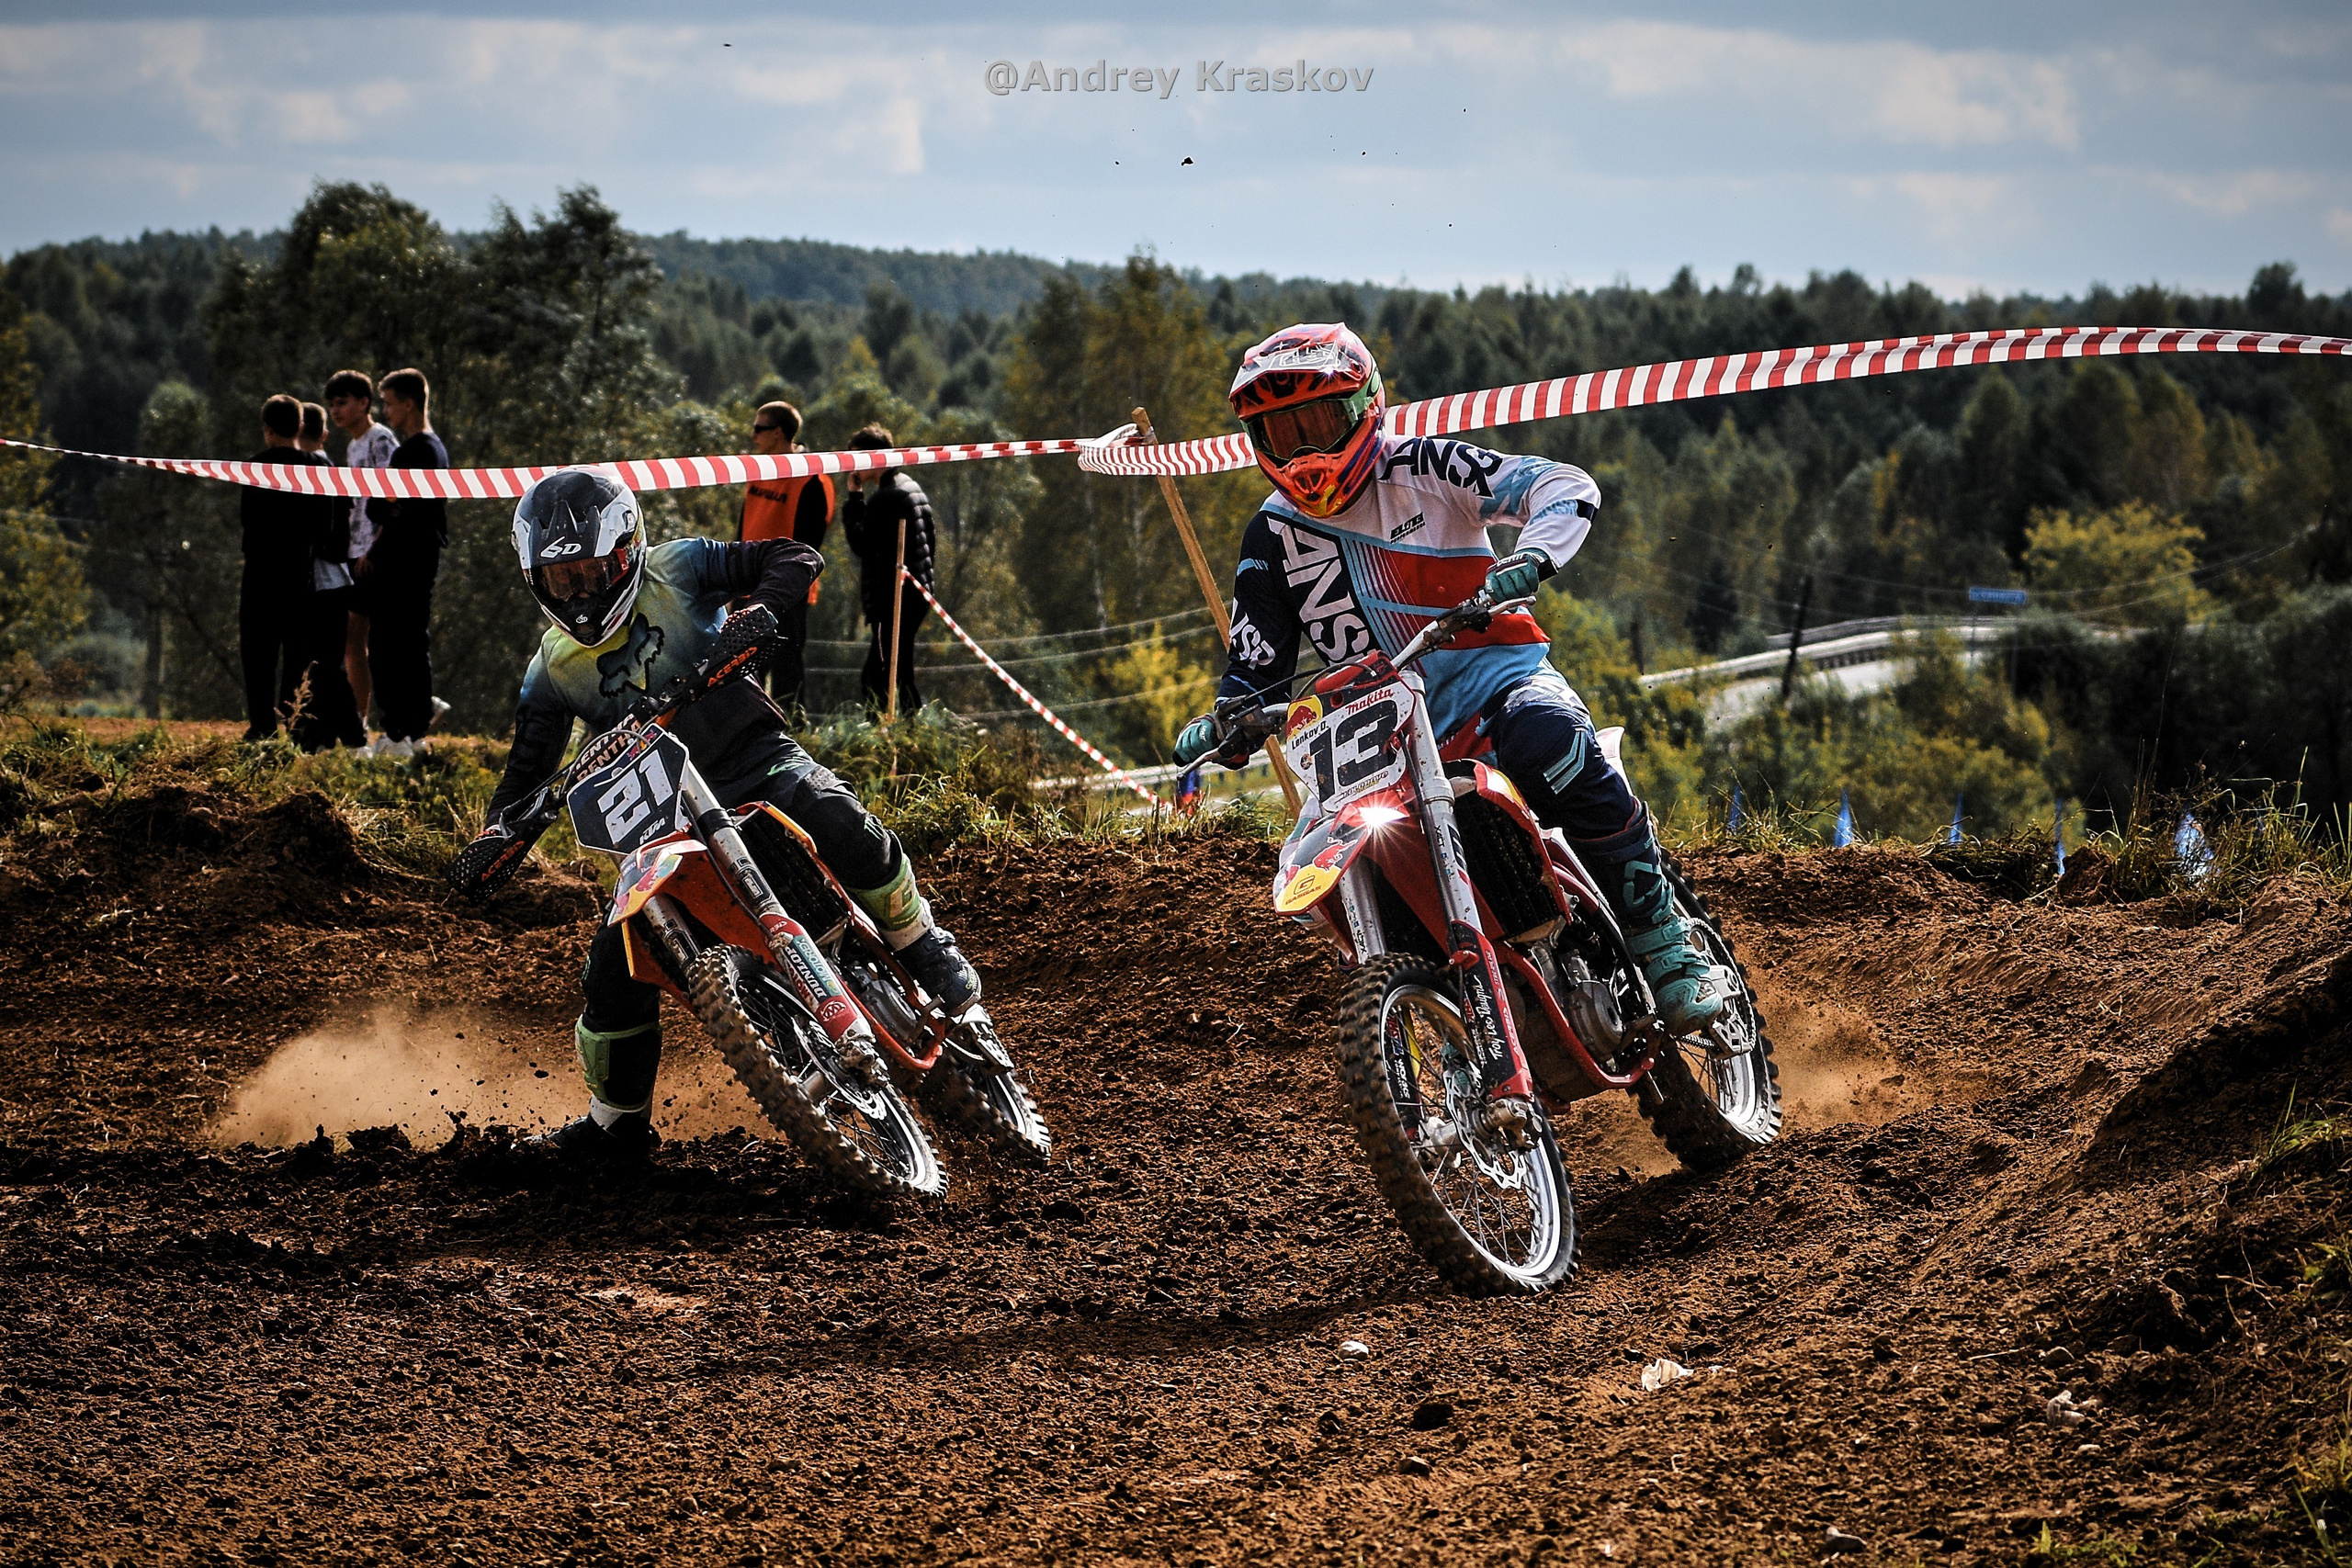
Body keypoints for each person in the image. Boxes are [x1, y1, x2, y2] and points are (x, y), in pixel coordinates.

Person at [1172, 323, 1732, 1043]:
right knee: (1333, 863)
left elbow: (1564, 485)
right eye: (1283, 432)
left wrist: (1531, 556)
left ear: (1367, 406)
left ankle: (1662, 934)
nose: (1306, 451)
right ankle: (1437, 1014)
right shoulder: (1271, 537)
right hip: (1383, 748)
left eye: (1320, 421)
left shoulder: (1428, 465)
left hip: (1498, 691)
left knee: (1549, 736)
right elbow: (1256, 661)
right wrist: (1230, 719)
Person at [466, 467, 984, 1160]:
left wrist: (757, 614)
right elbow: (527, 772)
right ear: (538, 579)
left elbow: (793, 555)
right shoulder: (551, 666)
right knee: (614, 959)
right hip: (655, 814)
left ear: (629, 551)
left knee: (831, 811)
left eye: (595, 571)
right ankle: (614, 1124)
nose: (584, 594)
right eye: (564, 581)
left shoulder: (679, 567)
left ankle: (920, 940)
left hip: (750, 757)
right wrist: (498, 835)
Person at [237, 395, 361, 747]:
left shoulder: (255, 467)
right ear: (301, 427)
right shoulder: (317, 470)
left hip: (259, 575)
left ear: (267, 430)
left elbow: (247, 521)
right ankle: (295, 728)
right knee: (297, 658)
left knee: (257, 655)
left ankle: (260, 727)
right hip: (300, 577)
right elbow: (327, 529)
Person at [362, 367, 448, 760]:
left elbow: (384, 506)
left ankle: (399, 731)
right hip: (418, 557)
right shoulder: (435, 449)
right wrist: (392, 506)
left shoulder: (415, 451)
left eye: (389, 402)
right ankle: (410, 729)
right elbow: (384, 505)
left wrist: (392, 507)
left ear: (409, 403)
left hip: (404, 562)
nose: (385, 410)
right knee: (409, 642)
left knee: (389, 646)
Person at [735, 400, 833, 714]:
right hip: (747, 583)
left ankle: (793, 733)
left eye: (759, 429)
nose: (753, 436)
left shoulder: (811, 479)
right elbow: (743, 527)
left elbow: (810, 544)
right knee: (740, 667)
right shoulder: (758, 470)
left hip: (786, 590)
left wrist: (787, 584)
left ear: (779, 433)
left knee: (787, 669)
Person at [325, 369, 399, 741]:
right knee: (354, 638)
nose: (336, 411)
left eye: (343, 403)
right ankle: (359, 717)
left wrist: (377, 547)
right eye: (332, 405)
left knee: (378, 638)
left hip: (374, 554)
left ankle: (394, 714)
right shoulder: (352, 447)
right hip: (354, 553)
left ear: (364, 403)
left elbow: (393, 496)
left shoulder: (380, 439)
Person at [839, 423, 933, 714]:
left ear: (872, 457)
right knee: (897, 668)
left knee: (880, 677)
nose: (852, 466)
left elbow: (861, 543)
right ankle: (908, 733)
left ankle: (891, 737)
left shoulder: (885, 497)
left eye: (856, 458)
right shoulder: (909, 485)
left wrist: (854, 498)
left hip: (893, 599)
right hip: (917, 593)